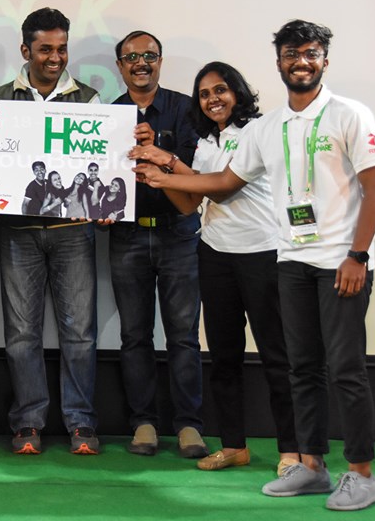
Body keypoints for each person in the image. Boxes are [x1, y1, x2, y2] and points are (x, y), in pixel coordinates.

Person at [132, 20, 375, 511]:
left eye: (310, 53)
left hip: (336, 260)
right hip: (290, 259)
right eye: (291, 54)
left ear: (324, 59)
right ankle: (311, 466)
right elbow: (223, 184)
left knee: (345, 370)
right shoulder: (269, 128)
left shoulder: (350, 114)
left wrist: (358, 254)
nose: (301, 61)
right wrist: (165, 174)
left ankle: (361, 473)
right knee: (302, 369)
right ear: (278, 62)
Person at [142, 61, 299, 475]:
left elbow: (224, 188)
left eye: (220, 90)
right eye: (204, 94)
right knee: (224, 357)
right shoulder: (205, 142)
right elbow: (190, 203)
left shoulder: (258, 132)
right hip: (214, 254)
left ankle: (292, 450)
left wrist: (166, 169)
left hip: (262, 253)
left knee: (276, 356)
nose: (212, 99)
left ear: (237, 92)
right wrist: (159, 173)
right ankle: (234, 446)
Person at [0, 7, 101, 455]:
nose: (55, 57)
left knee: (80, 333)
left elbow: (99, 166)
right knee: (21, 334)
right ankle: (28, 423)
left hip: (74, 229)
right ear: (25, 50)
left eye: (62, 48)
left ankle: (82, 423)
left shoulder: (90, 100)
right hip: (18, 230)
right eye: (45, 49)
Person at [109, 30, 207, 459]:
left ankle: (189, 424)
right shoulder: (108, 116)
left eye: (149, 55)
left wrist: (157, 151)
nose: (141, 63)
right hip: (127, 234)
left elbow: (197, 173)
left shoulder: (186, 109)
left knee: (183, 336)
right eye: (131, 57)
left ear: (161, 61)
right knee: (134, 335)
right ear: (120, 66)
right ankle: (143, 422)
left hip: (178, 232)